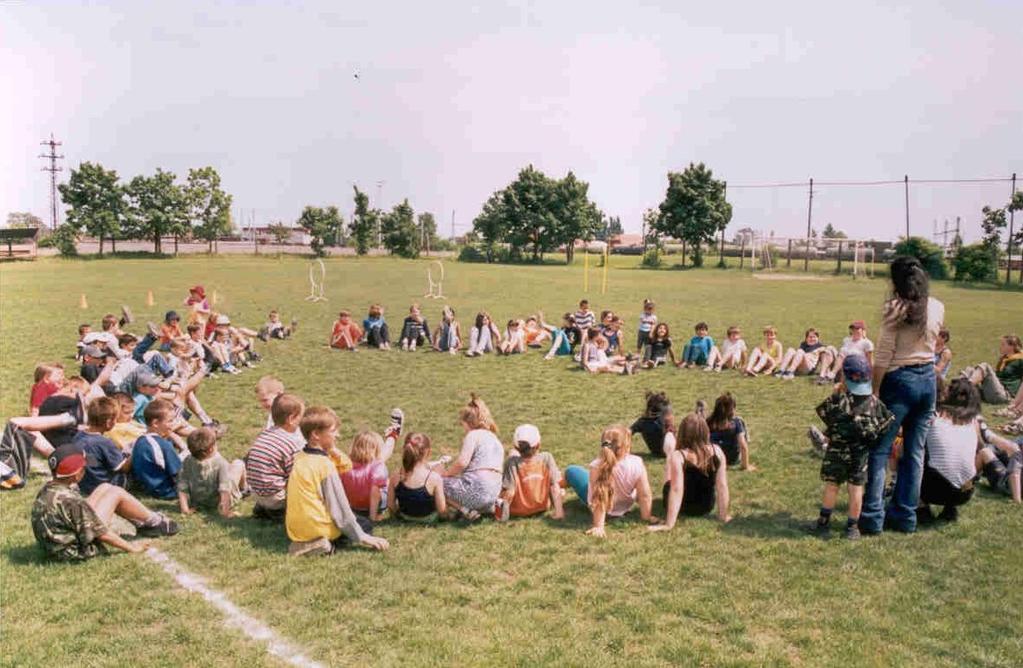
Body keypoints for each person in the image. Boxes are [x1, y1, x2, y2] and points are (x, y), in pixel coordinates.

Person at [860, 255, 945, 535]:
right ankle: (906, 516)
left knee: (881, 450)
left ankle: (872, 517)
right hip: (927, 381)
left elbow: (883, 354)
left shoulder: (894, 308)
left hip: (899, 381)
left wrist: (874, 391)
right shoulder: (937, 307)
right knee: (915, 453)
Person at [31, 443, 178, 561]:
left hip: (54, 546)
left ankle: (147, 522)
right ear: (76, 475)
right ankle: (155, 523)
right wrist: (131, 548)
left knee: (105, 487)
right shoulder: (71, 500)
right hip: (73, 551)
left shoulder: (48, 489)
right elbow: (101, 533)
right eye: (84, 468)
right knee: (116, 493)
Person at [808, 355, 894, 539]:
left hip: (836, 453)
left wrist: (836, 392)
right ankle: (852, 528)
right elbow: (887, 423)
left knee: (832, 486)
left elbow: (826, 415)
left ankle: (823, 521)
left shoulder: (838, 401)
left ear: (844, 377)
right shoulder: (874, 403)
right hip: (860, 455)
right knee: (856, 489)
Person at [285, 406, 389, 556]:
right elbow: (339, 508)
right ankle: (321, 544)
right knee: (364, 525)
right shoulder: (325, 465)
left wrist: (332, 449)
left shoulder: (300, 457)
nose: (338, 435)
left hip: (295, 529)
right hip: (318, 529)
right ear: (316, 434)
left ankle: (306, 542)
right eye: (333, 431)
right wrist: (363, 537)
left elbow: (346, 466)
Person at [564, 424, 656, 537]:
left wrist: (599, 526)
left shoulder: (597, 466)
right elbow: (644, 495)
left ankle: (553, 487)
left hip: (604, 506)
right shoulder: (637, 462)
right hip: (625, 503)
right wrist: (647, 516)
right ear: (626, 445)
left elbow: (598, 498)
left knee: (572, 470)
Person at [649, 413, 731, 530]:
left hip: (684, 507)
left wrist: (669, 524)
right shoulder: (717, 451)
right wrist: (724, 515)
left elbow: (677, 489)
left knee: (669, 482)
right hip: (706, 506)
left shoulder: (679, 456)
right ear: (705, 432)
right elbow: (722, 485)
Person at [917, 378, 982, 524]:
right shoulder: (973, 421)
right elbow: (978, 450)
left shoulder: (933, 416)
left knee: (913, 456)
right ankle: (950, 509)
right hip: (964, 493)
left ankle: (921, 507)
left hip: (934, 490)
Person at [440, 395, 504, 520]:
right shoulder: (495, 439)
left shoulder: (473, 435)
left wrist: (446, 474)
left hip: (478, 488)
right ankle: (492, 507)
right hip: (494, 490)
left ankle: (465, 510)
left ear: (467, 423)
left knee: (435, 482)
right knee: (469, 484)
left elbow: (462, 463)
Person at [245, 393, 306, 520]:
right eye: (300, 417)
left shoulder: (265, 434)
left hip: (256, 493)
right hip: (275, 498)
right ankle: (278, 512)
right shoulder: (291, 444)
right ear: (291, 419)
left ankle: (263, 508)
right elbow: (295, 476)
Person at [495, 424, 564, 521]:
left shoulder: (512, 463)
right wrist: (559, 512)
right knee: (561, 490)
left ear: (516, 446)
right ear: (538, 444)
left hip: (518, 511)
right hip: (542, 507)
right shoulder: (546, 458)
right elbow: (554, 486)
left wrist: (502, 516)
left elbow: (509, 492)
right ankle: (559, 512)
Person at [178, 427, 247, 518]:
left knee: (229, 469)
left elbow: (182, 486)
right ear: (211, 448)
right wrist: (225, 512)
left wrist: (185, 509)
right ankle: (244, 489)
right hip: (217, 502)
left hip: (197, 502)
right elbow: (224, 489)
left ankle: (243, 489)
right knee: (238, 463)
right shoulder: (220, 463)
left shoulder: (187, 460)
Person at [74, 396, 130, 496]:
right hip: (105, 487)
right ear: (109, 422)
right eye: (115, 419)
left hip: (85, 485)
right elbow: (123, 468)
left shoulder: (78, 436)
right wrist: (134, 453)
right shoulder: (104, 443)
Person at [131, 399, 184, 501]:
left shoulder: (140, 440)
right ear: (155, 423)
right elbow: (178, 473)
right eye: (170, 421)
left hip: (148, 487)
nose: (173, 424)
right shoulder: (162, 445)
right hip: (166, 490)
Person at [388, 433, 447, 522]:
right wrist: (448, 516)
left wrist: (398, 517)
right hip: (428, 519)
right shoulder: (434, 478)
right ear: (428, 452)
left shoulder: (396, 476)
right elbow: (442, 511)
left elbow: (391, 506)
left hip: (405, 516)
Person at [340, 431, 389, 523]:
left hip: (354, 505)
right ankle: (379, 514)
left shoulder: (345, 464)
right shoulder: (377, 466)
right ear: (375, 449)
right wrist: (372, 517)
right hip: (371, 506)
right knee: (387, 482)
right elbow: (375, 493)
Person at [960, 334, 1023, 405]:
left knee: (985, 366)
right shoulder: (1004, 359)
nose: (1000, 347)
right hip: (993, 392)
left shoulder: (1020, 360)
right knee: (969, 369)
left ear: (1012, 347)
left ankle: (964, 388)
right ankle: (955, 390)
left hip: (1004, 395)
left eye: (1003, 345)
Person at [976, 419, 1022, 503]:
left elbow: (1014, 474)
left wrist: (1017, 500)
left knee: (985, 452)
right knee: (1002, 450)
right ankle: (987, 436)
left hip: (1008, 486)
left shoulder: (1018, 450)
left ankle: (969, 479)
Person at [816, 320, 875, 385]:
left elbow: (870, 361)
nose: (854, 331)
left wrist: (871, 377)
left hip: (855, 370)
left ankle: (831, 375)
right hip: (842, 368)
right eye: (853, 329)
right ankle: (822, 376)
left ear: (863, 330)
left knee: (842, 355)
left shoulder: (867, 343)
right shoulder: (846, 340)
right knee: (829, 349)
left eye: (857, 329)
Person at [707, 392, 754, 471]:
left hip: (715, 459)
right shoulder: (736, 423)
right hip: (732, 460)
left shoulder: (709, 421)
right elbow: (743, 446)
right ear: (732, 410)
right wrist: (745, 466)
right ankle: (748, 440)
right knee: (741, 421)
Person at [630, 391, 674, 458]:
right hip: (669, 451)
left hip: (656, 452)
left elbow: (627, 432)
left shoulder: (642, 422)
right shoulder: (661, 423)